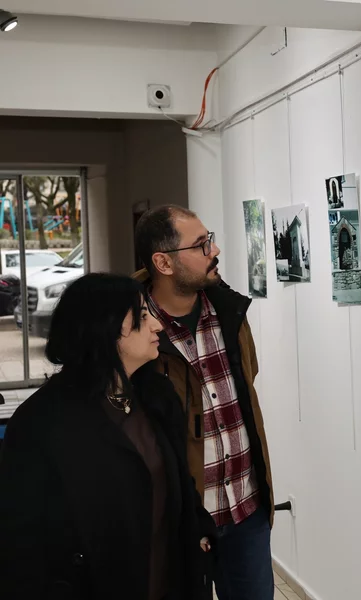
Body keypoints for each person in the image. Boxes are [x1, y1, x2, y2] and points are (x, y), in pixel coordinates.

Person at [0, 273, 215, 600]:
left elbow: (180, 483)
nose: (157, 325)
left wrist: (199, 532)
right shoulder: (41, 422)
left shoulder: (157, 397)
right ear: (105, 328)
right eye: (142, 316)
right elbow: (19, 538)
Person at [134, 205, 275, 600]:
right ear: (163, 262)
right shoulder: (133, 331)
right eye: (200, 245)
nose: (214, 250)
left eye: (209, 239)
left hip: (246, 508)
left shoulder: (230, 312)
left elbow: (248, 382)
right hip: (178, 522)